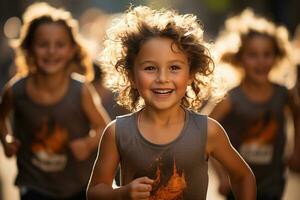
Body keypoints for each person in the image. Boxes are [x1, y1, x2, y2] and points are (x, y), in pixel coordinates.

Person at [87, 6, 256, 200]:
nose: (162, 78)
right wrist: (123, 193)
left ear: (191, 74)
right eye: (150, 68)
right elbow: (94, 192)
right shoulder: (117, 132)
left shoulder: (208, 131)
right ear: (131, 75)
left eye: (174, 67)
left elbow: (243, 176)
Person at [0, 2, 110, 200]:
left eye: (60, 45)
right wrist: (6, 140)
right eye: (43, 44)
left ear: (71, 50)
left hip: (78, 187)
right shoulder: (16, 90)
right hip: (34, 188)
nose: (51, 51)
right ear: (29, 48)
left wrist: (87, 143)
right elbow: (1, 118)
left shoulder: (80, 90)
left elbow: (104, 127)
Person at [209, 9, 299, 200]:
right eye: (253, 55)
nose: (261, 61)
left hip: (273, 182)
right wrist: (222, 175)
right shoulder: (231, 98)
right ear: (240, 58)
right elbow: (203, 132)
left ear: (277, 56)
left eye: (267, 54)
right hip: (237, 184)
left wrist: (297, 150)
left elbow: (297, 114)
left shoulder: (283, 94)